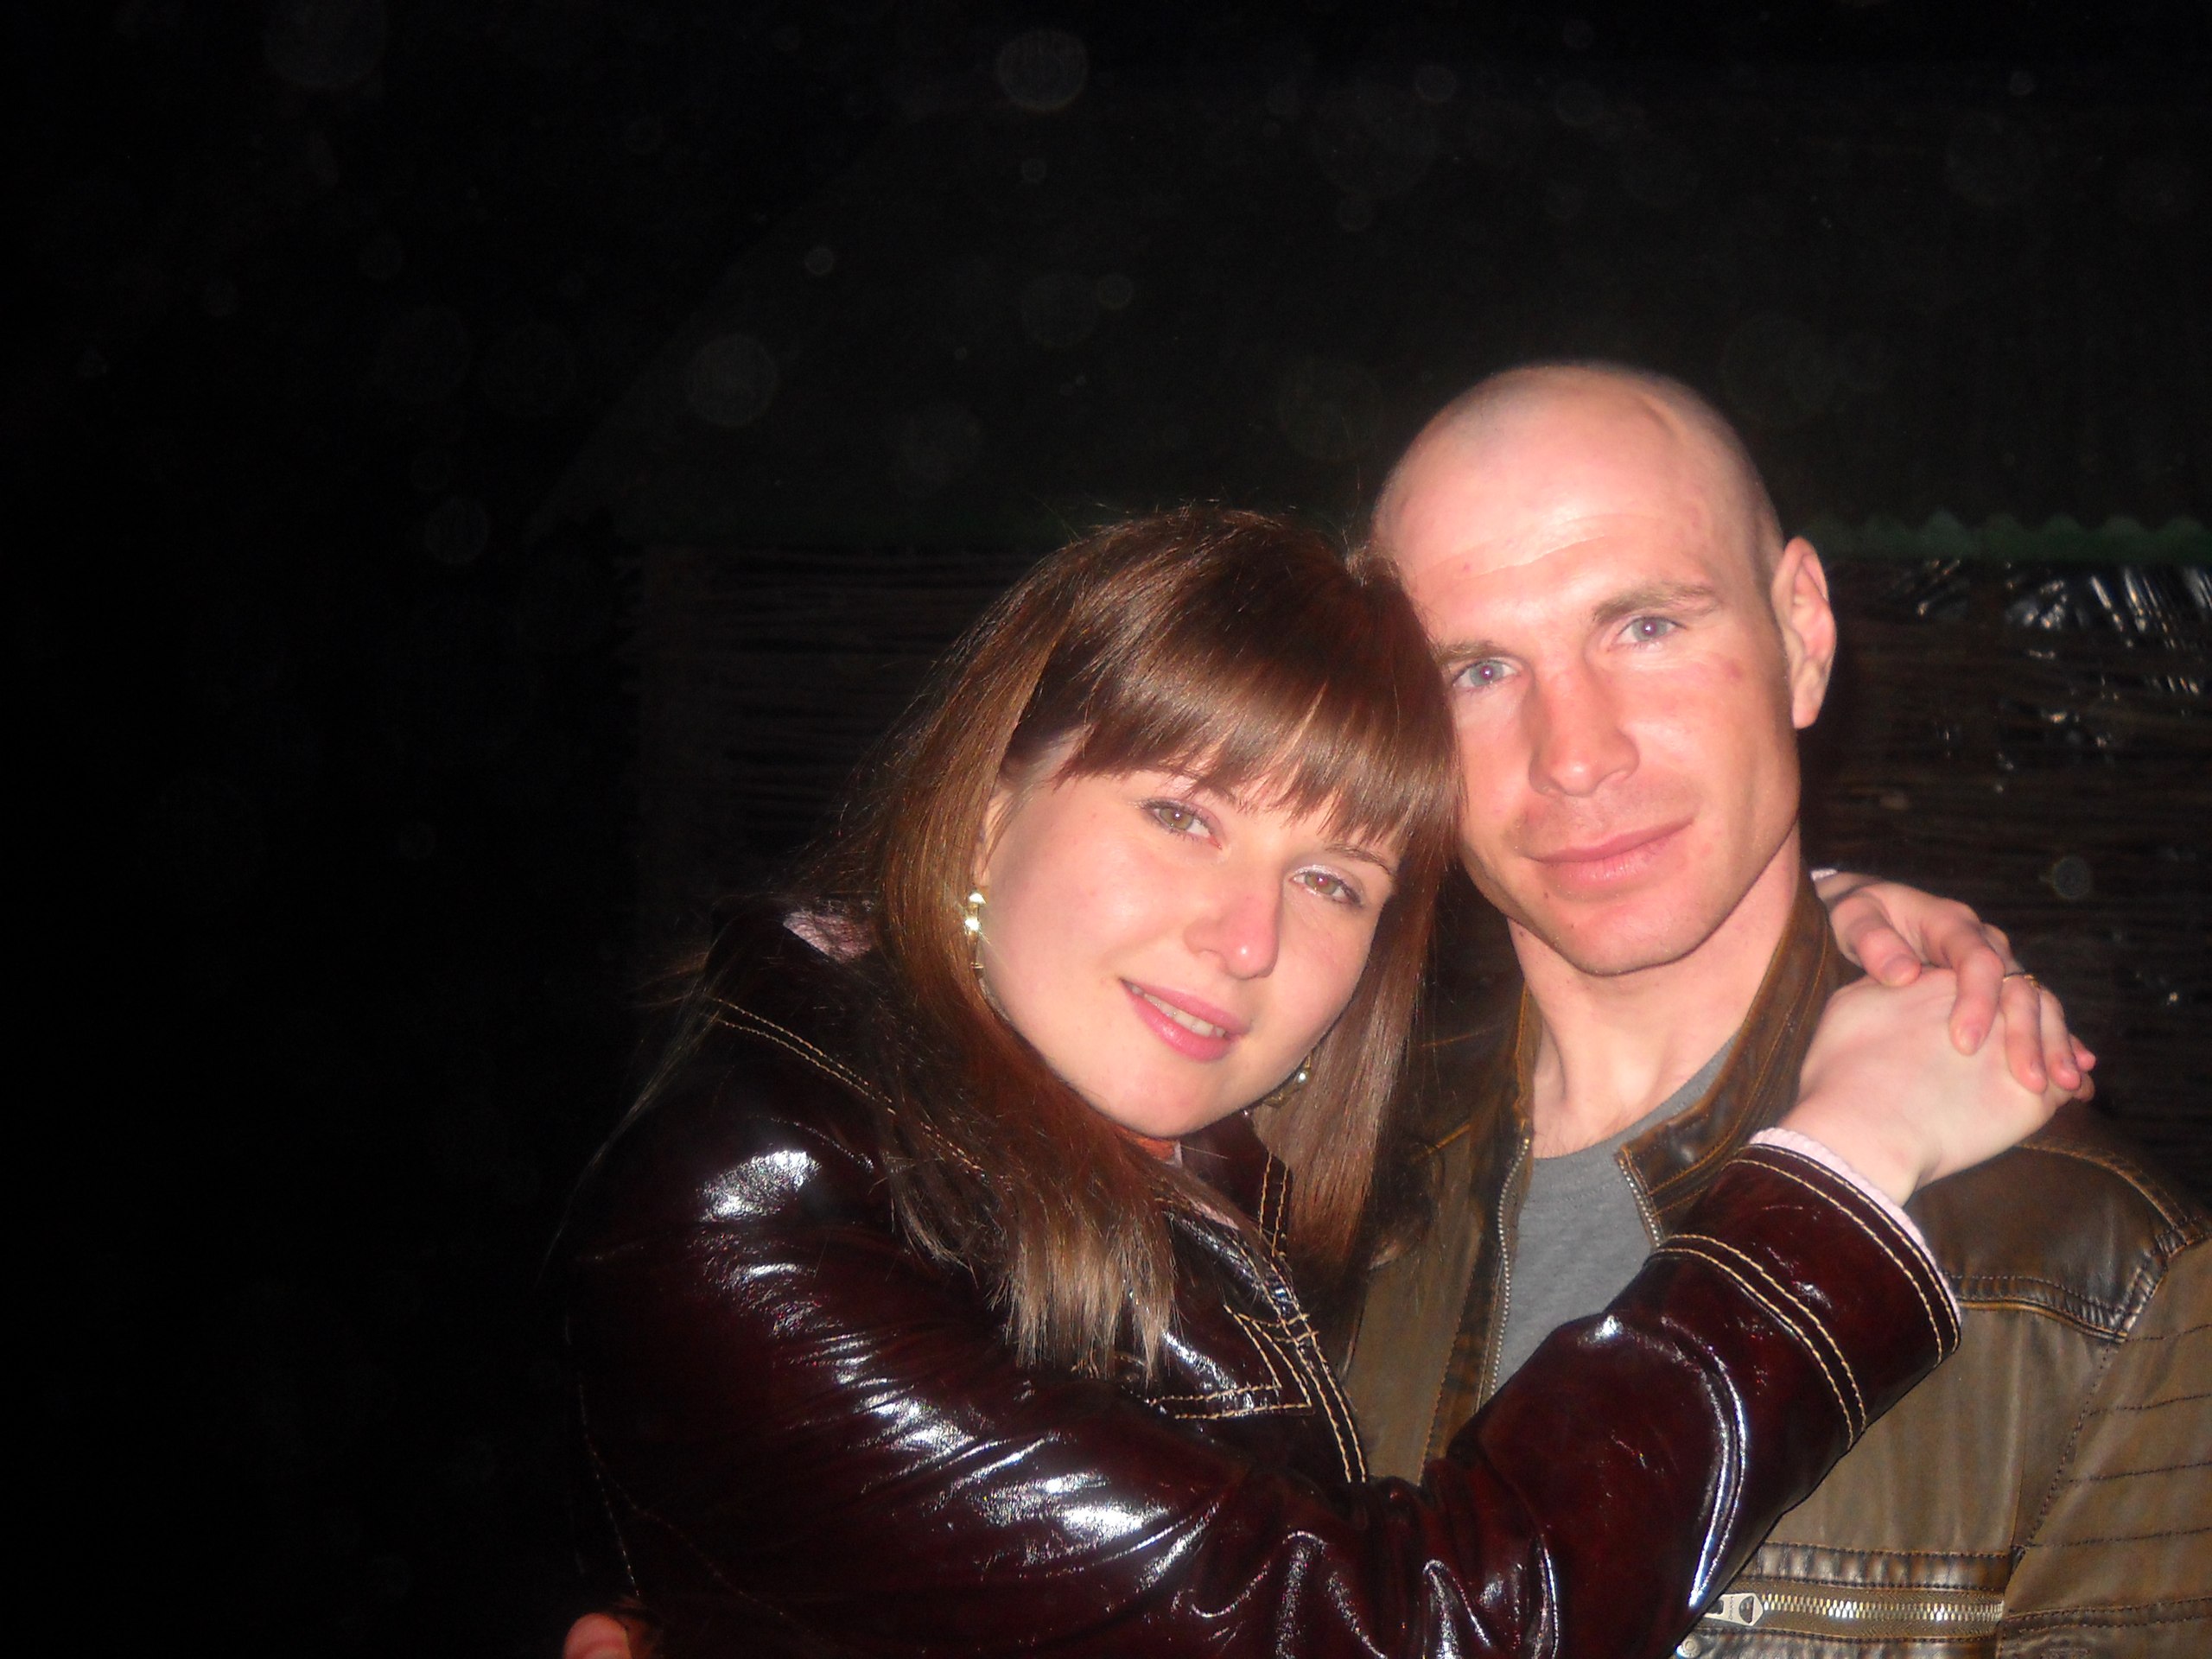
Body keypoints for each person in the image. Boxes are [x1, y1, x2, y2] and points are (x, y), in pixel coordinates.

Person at [556, 507, 2075, 1659]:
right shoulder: (758, 1213)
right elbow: (1400, 1631)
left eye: (1336, 880)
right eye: (1182, 815)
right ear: (989, 804)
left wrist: (1787, 920)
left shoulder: (1170, 1147)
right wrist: (1852, 1156)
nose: (1247, 939)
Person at [1343, 363, 2211, 1655]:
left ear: (1801, 633)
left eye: (1646, 626)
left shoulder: (2097, 1278)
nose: (1574, 754)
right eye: (1476, 669)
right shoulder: (1298, 1196)